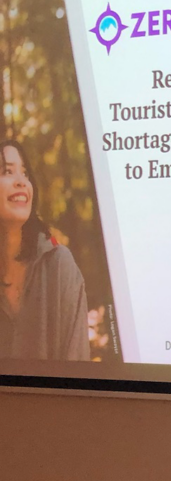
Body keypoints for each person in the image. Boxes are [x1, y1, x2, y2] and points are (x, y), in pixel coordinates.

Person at [0, 138, 88, 361]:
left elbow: (77, 372)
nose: (21, 181)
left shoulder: (59, 265)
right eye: (7, 171)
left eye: (25, 173)